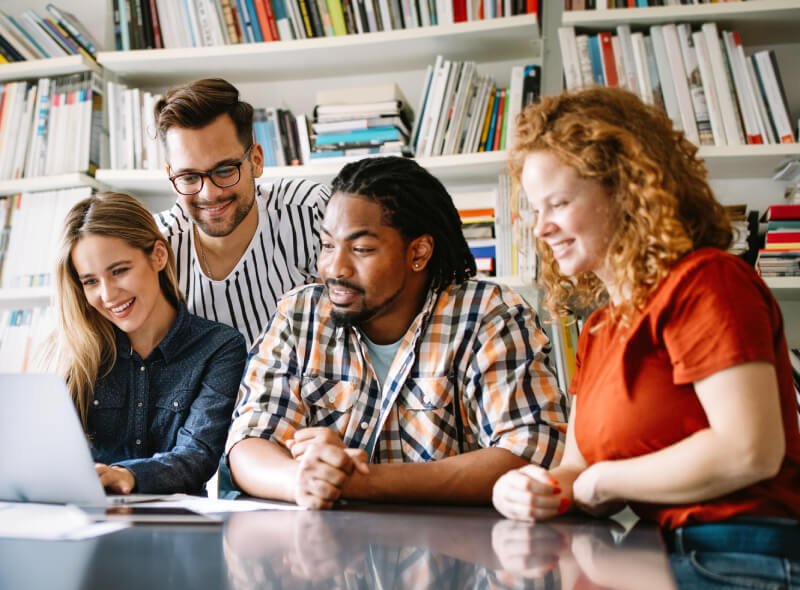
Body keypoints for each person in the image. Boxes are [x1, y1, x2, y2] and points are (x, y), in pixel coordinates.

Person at [491, 87, 800, 590]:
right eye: (535, 209)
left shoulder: (708, 282)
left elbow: (749, 449)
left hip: (741, 564)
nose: (541, 228)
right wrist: (526, 488)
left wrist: (602, 482)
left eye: (559, 203)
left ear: (627, 190)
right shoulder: (600, 329)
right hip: (658, 555)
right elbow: (578, 468)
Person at [225, 156, 568, 509]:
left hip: (460, 553)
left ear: (418, 252)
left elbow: (533, 449)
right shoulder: (300, 315)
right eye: (327, 245)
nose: (334, 268)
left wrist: (361, 480)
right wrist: (300, 480)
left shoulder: (487, 315)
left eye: (361, 249)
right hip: (326, 552)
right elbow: (249, 442)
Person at [49, 192, 246, 495]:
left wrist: (127, 476)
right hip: (85, 523)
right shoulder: (77, 352)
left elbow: (197, 455)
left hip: (176, 531)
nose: (108, 294)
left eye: (119, 271)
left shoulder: (219, 347)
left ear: (158, 256)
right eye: (90, 281)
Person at [153, 78, 330, 348]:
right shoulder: (155, 245)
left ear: (256, 161)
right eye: (189, 177)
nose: (209, 194)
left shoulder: (309, 210)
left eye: (224, 170)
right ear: (170, 175)